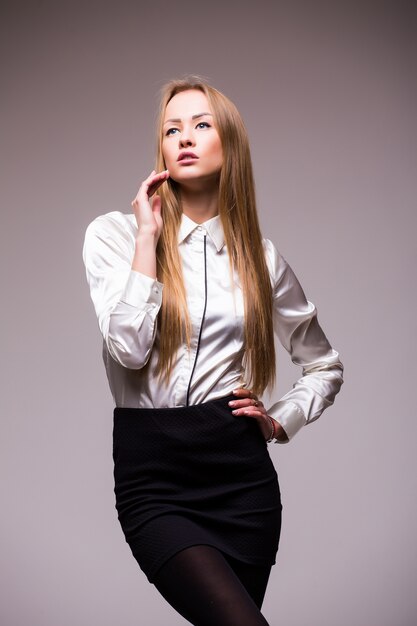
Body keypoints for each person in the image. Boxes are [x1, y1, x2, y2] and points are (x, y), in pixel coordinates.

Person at [82, 76, 343, 626]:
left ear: (231, 144)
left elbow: (324, 365)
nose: (185, 137)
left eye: (202, 125)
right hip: (154, 480)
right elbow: (128, 350)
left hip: (240, 480)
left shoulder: (261, 259)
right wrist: (147, 240)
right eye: (172, 128)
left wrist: (281, 421)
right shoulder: (114, 235)